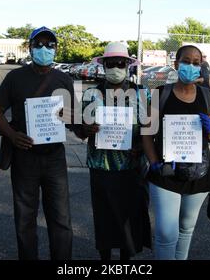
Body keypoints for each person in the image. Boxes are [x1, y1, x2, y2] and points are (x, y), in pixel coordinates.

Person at [0, 26, 74, 260]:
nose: (44, 49)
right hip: (24, 156)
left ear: (55, 49)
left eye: (49, 45)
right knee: (25, 218)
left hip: (54, 158)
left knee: (61, 219)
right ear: (29, 48)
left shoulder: (64, 79)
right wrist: (11, 134)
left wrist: (84, 127)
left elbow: (71, 117)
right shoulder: (15, 77)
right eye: (38, 44)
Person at [75, 42, 151, 260]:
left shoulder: (142, 94)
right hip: (101, 167)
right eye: (111, 63)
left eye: (120, 63)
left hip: (131, 166)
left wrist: (139, 147)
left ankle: (126, 260)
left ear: (128, 65)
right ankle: (105, 260)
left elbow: (149, 131)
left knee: (130, 218)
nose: (116, 67)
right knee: (104, 217)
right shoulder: (91, 94)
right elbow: (80, 132)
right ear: (103, 66)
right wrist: (86, 129)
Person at [142, 45, 210, 260]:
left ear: (201, 65)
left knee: (186, 228)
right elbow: (147, 134)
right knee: (166, 233)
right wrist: (155, 162)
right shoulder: (160, 93)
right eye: (186, 61)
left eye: (196, 62)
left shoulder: (206, 95)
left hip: (198, 175)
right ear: (176, 64)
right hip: (166, 174)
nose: (191, 66)